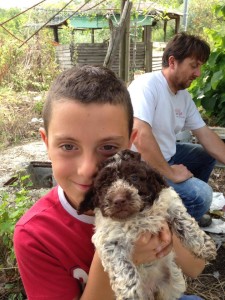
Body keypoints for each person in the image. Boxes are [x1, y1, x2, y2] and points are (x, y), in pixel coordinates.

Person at [14, 65, 205, 300]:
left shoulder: (149, 197)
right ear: (46, 142)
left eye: (108, 148)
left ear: (131, 141)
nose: (87, 170)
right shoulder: (36, 235)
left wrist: (159, 222)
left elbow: (196, 268)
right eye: (68, 146)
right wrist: (121, 256)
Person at [128, 32, 225, 227]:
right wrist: (170, 172)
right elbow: (140, 135)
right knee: (203, 195)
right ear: (173, 62)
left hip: (165, 156)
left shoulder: (183, 97)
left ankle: (184, 208)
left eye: (200, 67)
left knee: (204, 155)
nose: (198, 73)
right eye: (194, 65)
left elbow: (205, 135)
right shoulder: (146, 86)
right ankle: (174, 232)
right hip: (138, 164)